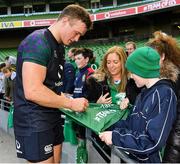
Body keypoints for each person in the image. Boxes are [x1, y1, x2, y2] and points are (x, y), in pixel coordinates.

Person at [13, 4, 92, 163]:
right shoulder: (37, 42)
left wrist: (72, 101)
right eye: (76, 33)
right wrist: (70, 104)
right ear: (64, 20)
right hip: (33, 120)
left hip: (51, 116)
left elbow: (53, 87)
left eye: (80, 36)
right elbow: (33, 91)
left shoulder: (60, 46)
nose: (76, 39)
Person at [99, 46, 177, 163]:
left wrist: (115, 137)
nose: (130, 76)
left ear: (143, 70)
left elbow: (152, 141)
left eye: (133, 72)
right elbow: (131, 124)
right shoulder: (143, 94)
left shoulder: (164, 94)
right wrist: (105, 124)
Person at [145, 31, 180, 162]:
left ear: (163, 56)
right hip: (156, 141)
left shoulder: (173, 80)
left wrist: (171, 157)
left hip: (171, 145)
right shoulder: (149, 76)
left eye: (154, 56)